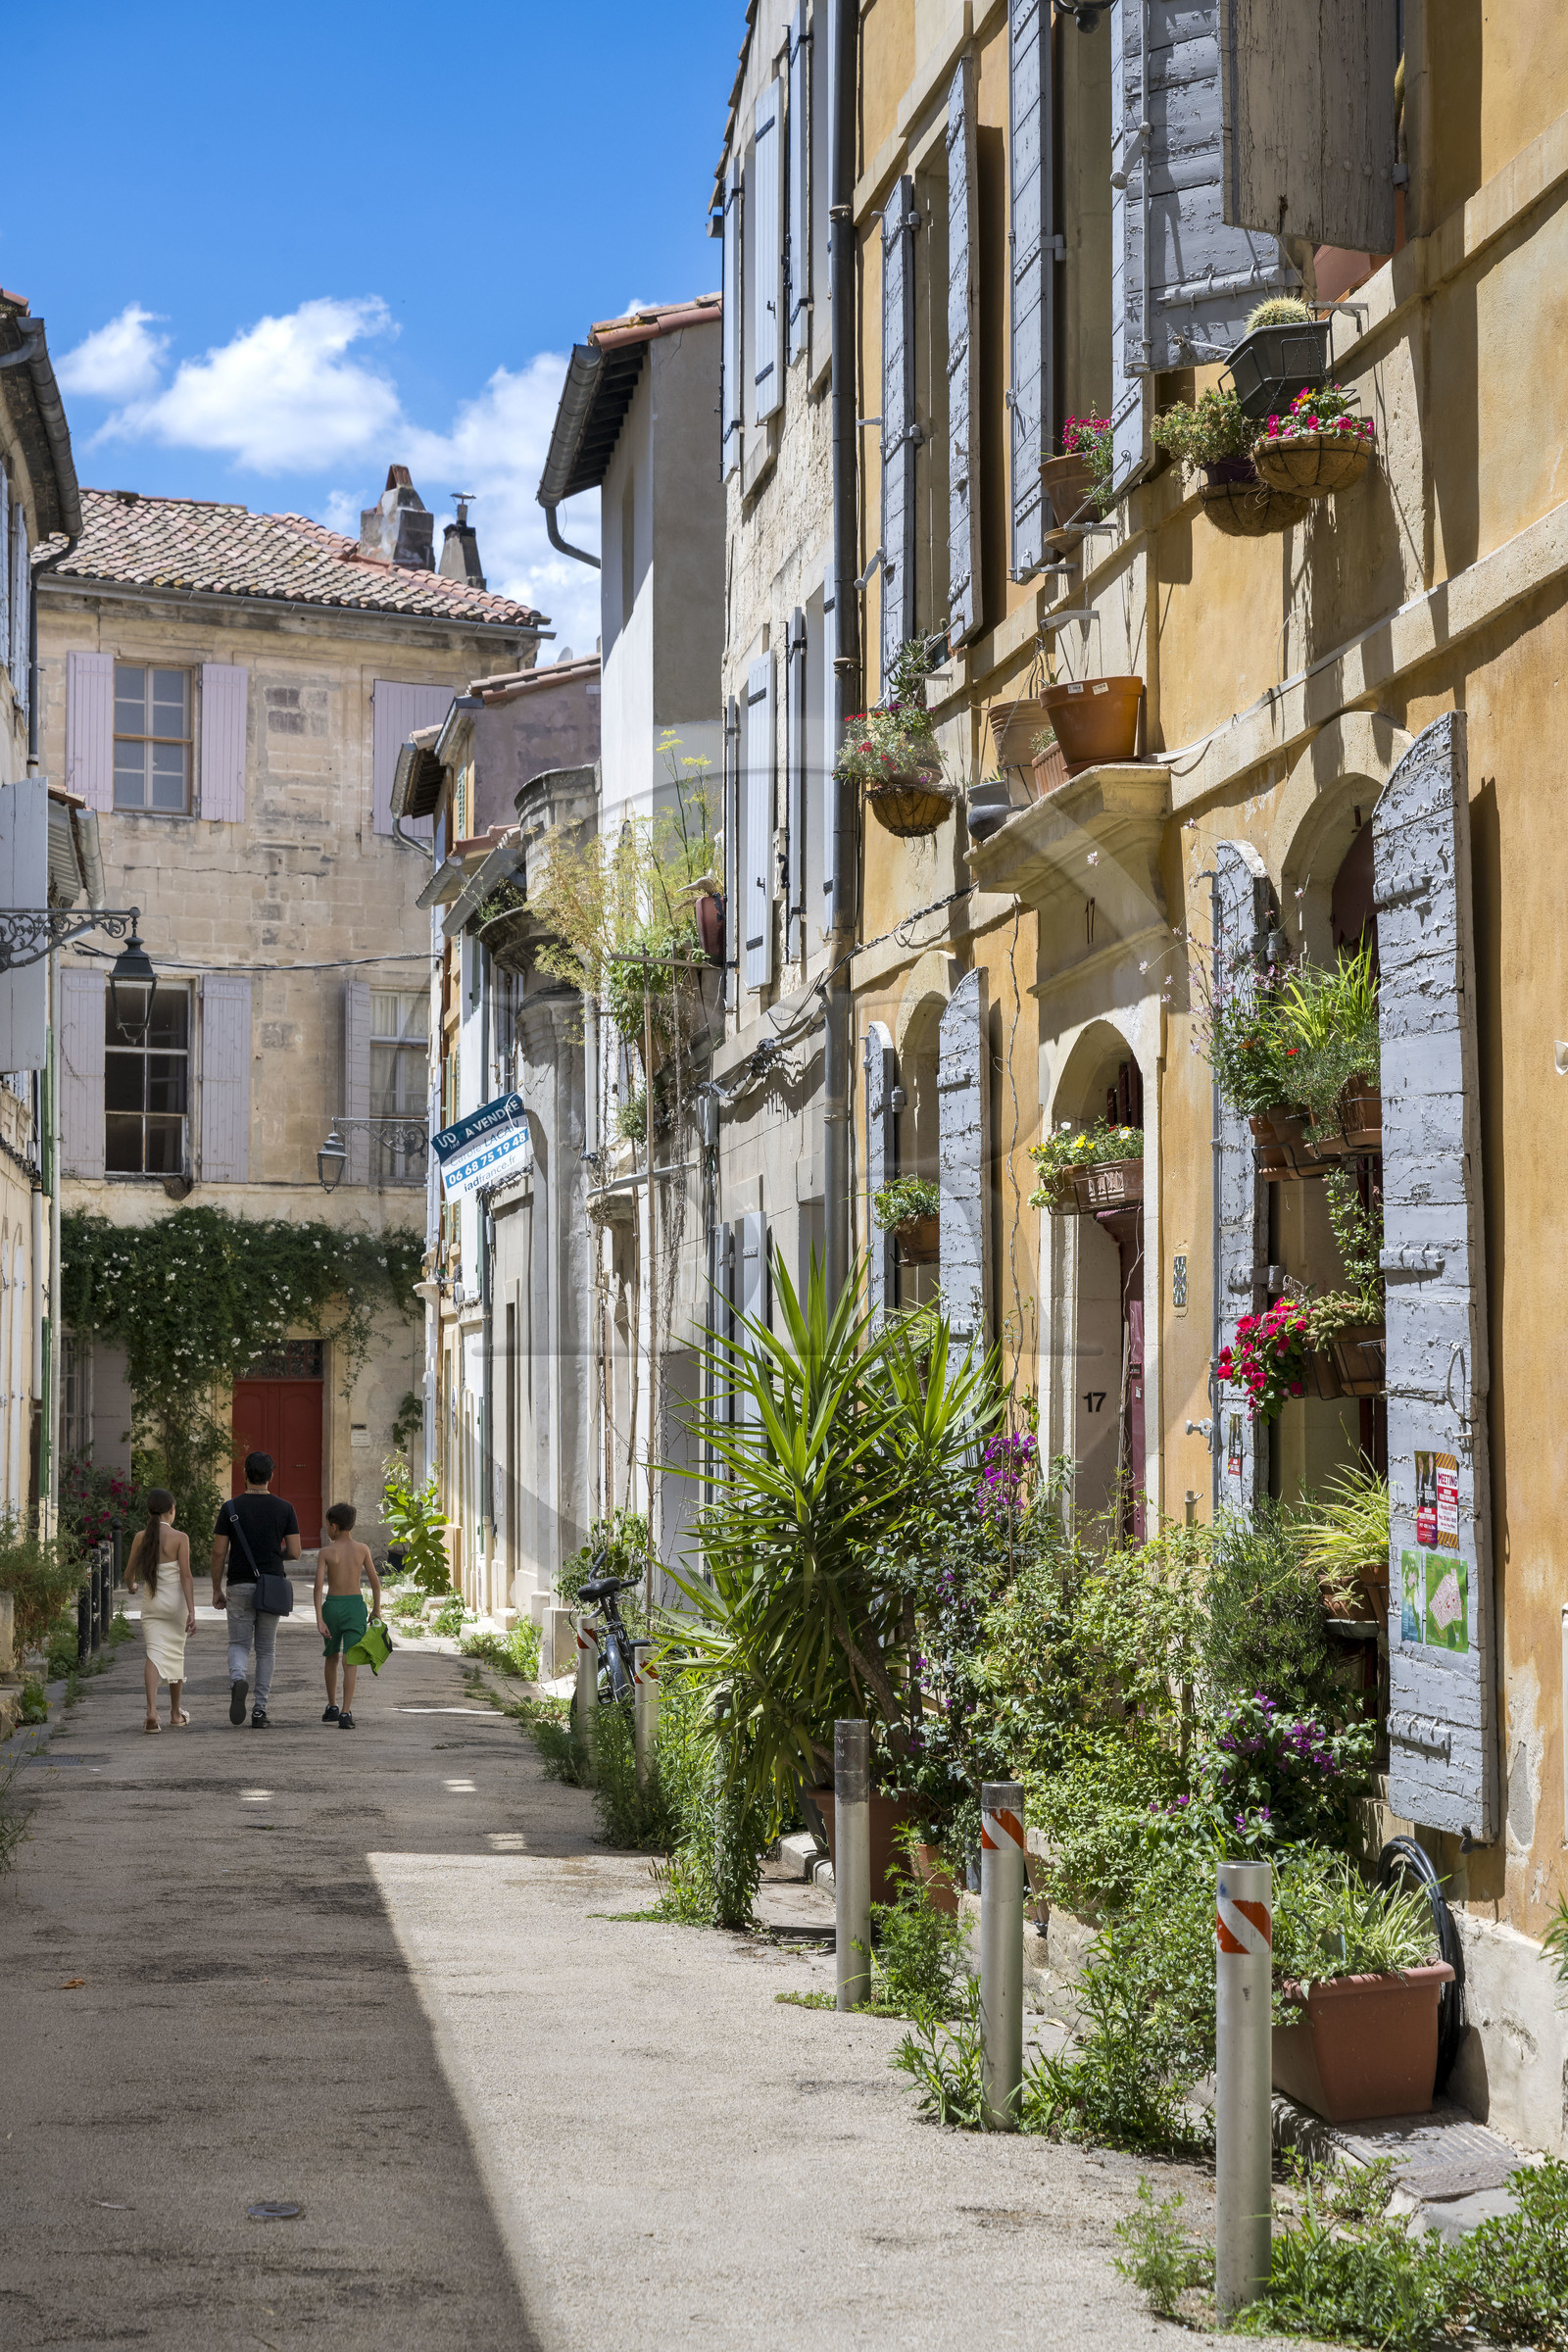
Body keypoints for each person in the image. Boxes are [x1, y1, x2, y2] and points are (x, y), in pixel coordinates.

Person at [211, 1450, 301, 1730]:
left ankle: (238, 1679)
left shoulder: (230, 1508)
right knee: (266, 1650)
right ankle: (260, 1711)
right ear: (271, 1475)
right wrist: (274, 1556)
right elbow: (295, 1552)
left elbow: (218, 1552)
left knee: (239, 1644)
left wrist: (216, 1588)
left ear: (245, 1474)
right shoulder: (285, 1508)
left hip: (238, 1584)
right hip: (271, 1586)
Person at [125, 1488, 194, 1733]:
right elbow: (186, 1576)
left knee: (153, 1655)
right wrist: (192, 1611)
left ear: (149, 1512)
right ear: (172, 1510)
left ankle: (152, 1712)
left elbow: (129, 1573)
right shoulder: (181, 1538)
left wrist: (132, 1586)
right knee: (176, 1654)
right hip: (176, 1606)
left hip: (152, 1604)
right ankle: (175, 1713)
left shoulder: (140, 1537)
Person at [315, 1503, 382, 1730]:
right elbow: (375, 1583)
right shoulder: (362, 1549)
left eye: (328, 1525)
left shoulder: (326, 1552)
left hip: (332, 1607)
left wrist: (319, 1619)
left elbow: (318, 1588)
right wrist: (376, 1610)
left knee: (331, 1656)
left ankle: (332, 1706)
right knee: (350, 1660)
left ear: (334, 1526)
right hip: (355, 1608)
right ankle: (346, 1712)